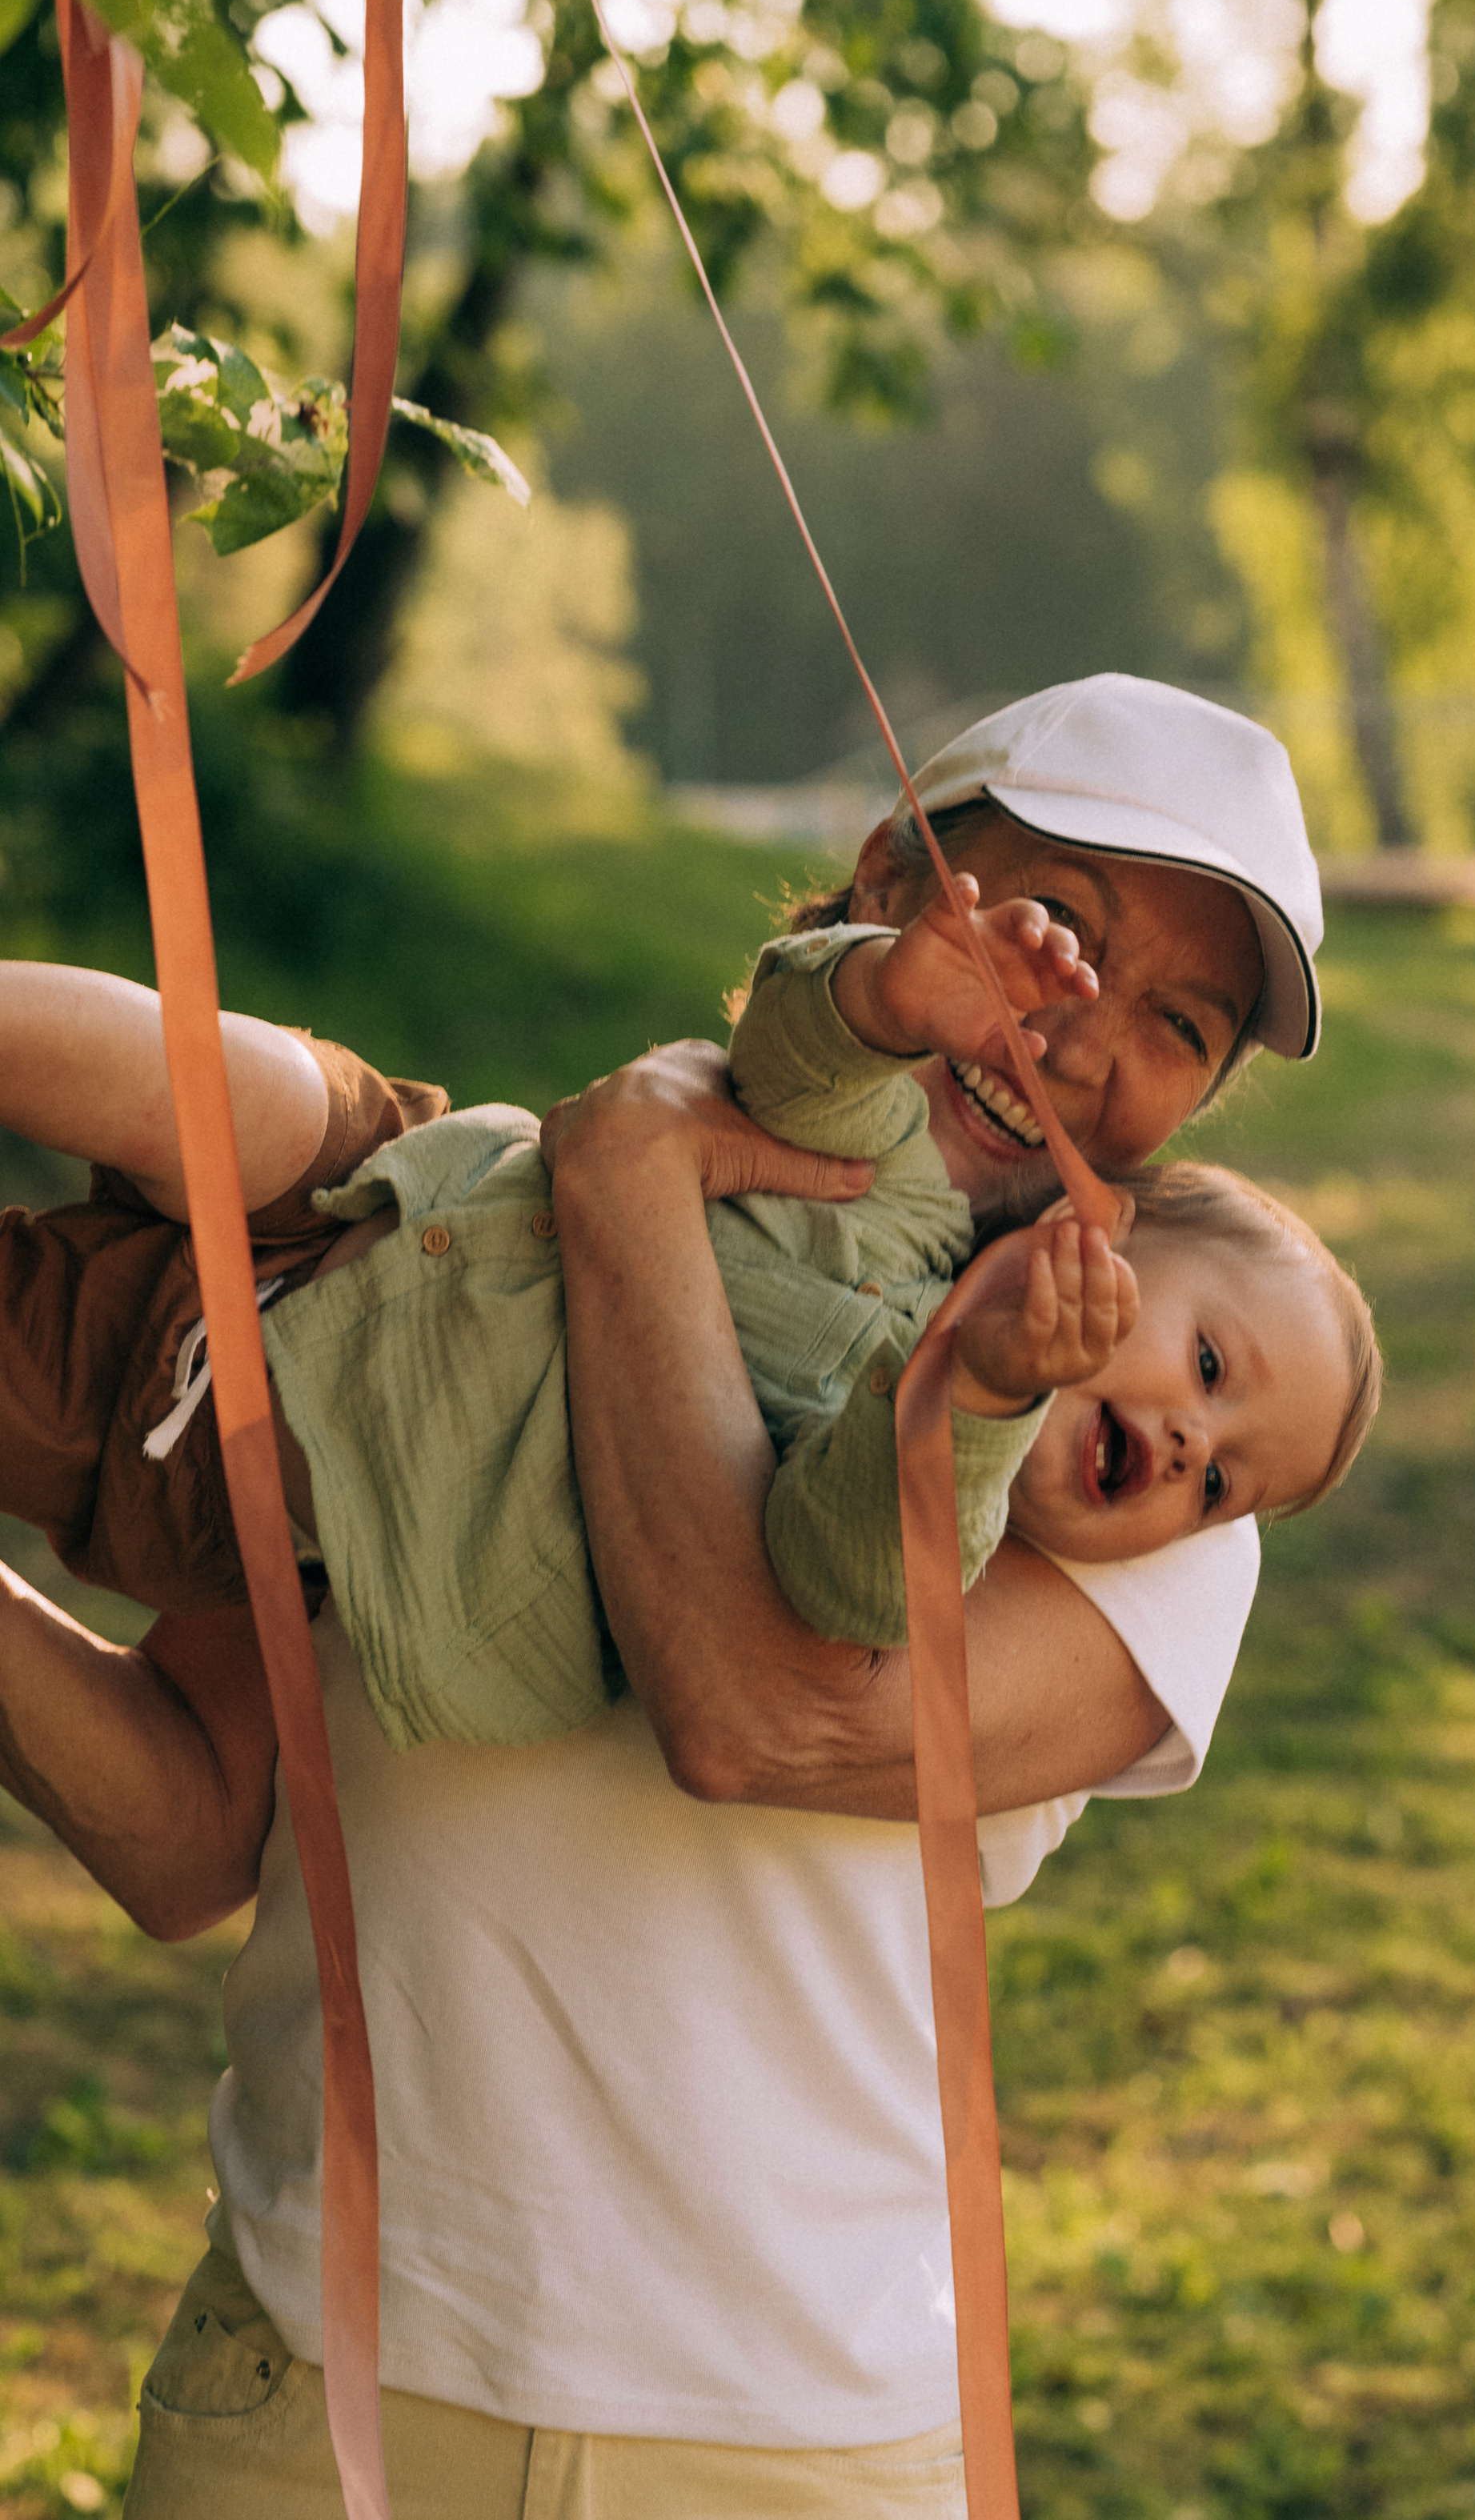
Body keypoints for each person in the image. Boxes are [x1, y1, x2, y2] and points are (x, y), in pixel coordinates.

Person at [0, 675, 1340, 2519]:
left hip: (784, 2437)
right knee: (266, 1098)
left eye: (1179, 1023)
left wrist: (631, 1171)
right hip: (325, 2376)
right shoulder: (474, 1340)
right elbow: (184, 1828)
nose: (1082, 1027)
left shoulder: (1153, 1479)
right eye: (1059, 930)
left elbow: (751, 1706)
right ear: (892, 874)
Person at [0, 890, 1378, 1753]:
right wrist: (888, 992)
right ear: (1108, 1223)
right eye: (1207, 1366)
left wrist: (982, 1390)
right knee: (203, 1068)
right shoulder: (912, 1175)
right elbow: (793, 1067)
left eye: (1217, 1488)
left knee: (35, 1354)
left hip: (262, 1429)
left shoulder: (938, 1483)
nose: (1193, 1442)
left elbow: (849, 1580)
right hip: (402, 1175)